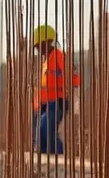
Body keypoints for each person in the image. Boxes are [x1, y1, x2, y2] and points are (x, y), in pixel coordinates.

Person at [31, 24, 79, 155]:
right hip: (45, 104)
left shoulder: (59, 57)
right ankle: (50, 155)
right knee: (43, 136)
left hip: (58, 102)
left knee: (44, 128)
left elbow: (74, 77)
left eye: (38, 46)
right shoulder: (45, 61)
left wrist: (73, 92)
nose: (38, 50)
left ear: (47, 43)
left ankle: (60, 155)